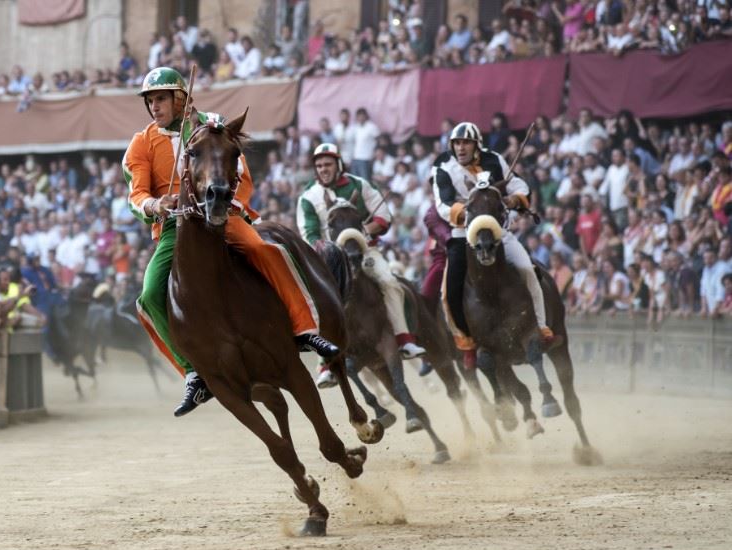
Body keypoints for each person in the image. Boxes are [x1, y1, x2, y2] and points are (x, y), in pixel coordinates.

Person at [123, 67, 339, 418]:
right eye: (150, 100)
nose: (154, 107)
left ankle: (304, 329)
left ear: (180, 98)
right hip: (177, 228)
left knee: (264, 249)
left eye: (161, 98)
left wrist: (226, 206)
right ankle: (192, 371)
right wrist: (155, 204)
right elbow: (137, 195)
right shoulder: (141, 143)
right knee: (147, 298)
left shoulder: (213, 124)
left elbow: (241, 174)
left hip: (223, 214)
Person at [296, 143, 426, 385]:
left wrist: (362, 230)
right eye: (319, 165)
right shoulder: (308, 197)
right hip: (332, 258)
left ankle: (404, 338)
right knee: (317, 301)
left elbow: (384, 216)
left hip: (365, 249)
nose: (323, 169)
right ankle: (324, 363)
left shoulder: (359, 184)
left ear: (339, 165)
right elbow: (309, 234)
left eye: (328, 164)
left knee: (389, 282)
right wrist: (328, 248)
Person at [431, 121, 555, 368]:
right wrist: (470, 212)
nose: (461, 148)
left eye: (466, 142)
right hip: (463, 235)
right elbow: (443, 205)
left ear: (476, 145)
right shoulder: (442, 167)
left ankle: (541, 327)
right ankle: (466, 341)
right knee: (448, 292)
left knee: (528, 271)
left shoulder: (495, 160)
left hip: (500, 232)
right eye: (457, 143)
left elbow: (520, 186)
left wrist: (513, 198)